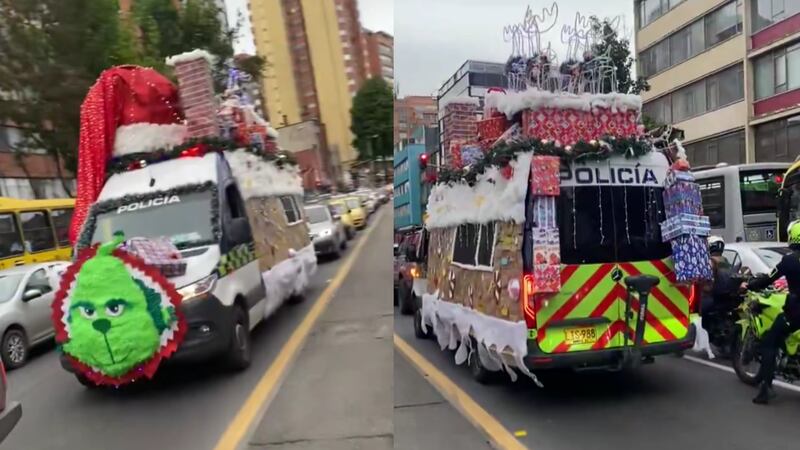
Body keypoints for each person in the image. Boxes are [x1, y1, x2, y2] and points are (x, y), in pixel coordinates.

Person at [744, 221, 800, 405]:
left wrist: (751, 284)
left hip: (796, 314)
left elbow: (769, 278)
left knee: (769, 341)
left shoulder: (789, 260)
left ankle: (766, 389)